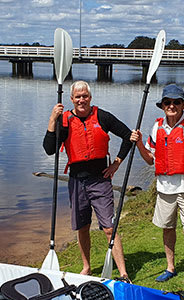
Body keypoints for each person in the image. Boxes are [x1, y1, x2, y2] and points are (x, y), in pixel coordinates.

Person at [130, 84, 184, 291]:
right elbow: (150, 159)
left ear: (182, 104)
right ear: (162, 106)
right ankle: (170, 268)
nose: (172, 106)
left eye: (176, 102)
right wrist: (140, 144)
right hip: (164, 189)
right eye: (167, 102)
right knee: (167, 229)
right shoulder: (157, 126)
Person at [43, 80, 133, 281]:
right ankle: (86, 267)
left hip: (100, 180)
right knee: (82, 227)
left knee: (109, 227)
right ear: (72, 99)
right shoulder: (64, 121)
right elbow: (49, 149)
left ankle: (124, 273)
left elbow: (128, 136)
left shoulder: (102, 116)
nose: (81, 100)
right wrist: (52, 119)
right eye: (78, 96)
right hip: (76, 181)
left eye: (85, 96)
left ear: (90, 98)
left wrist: (117, 163)